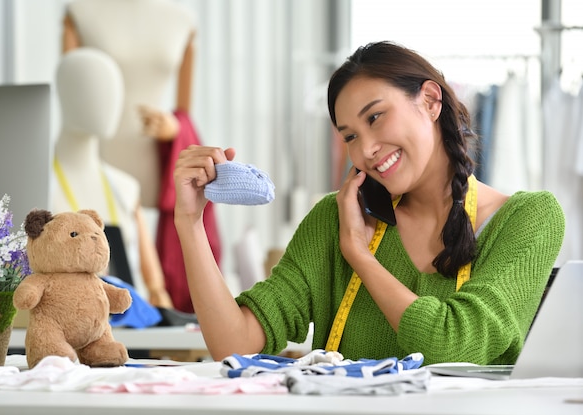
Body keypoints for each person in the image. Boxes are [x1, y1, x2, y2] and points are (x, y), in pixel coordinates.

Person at [172, 41, 565, 365]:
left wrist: (361, 257)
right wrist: (189, 223)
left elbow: (454, 345)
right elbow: (233, 346)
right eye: (350, 137)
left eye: (375, 118)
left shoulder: (527, 218)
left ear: (430, 100)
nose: (367, 150)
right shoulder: (336, 218)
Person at [62, 0, 222, 313]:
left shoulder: (182, 20)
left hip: (155, 158)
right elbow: (71, 85)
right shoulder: (81, 12)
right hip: (99, 156)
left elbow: (183, 110)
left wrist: (174, 126)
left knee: (153, 271)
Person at [52, 46, 174, 311]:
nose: (108, 102)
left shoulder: (125, 187)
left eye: (113, 91)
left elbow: (155, 286)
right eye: (92, 89)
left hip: (124, 324)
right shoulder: (39, 183)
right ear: (66, 95)